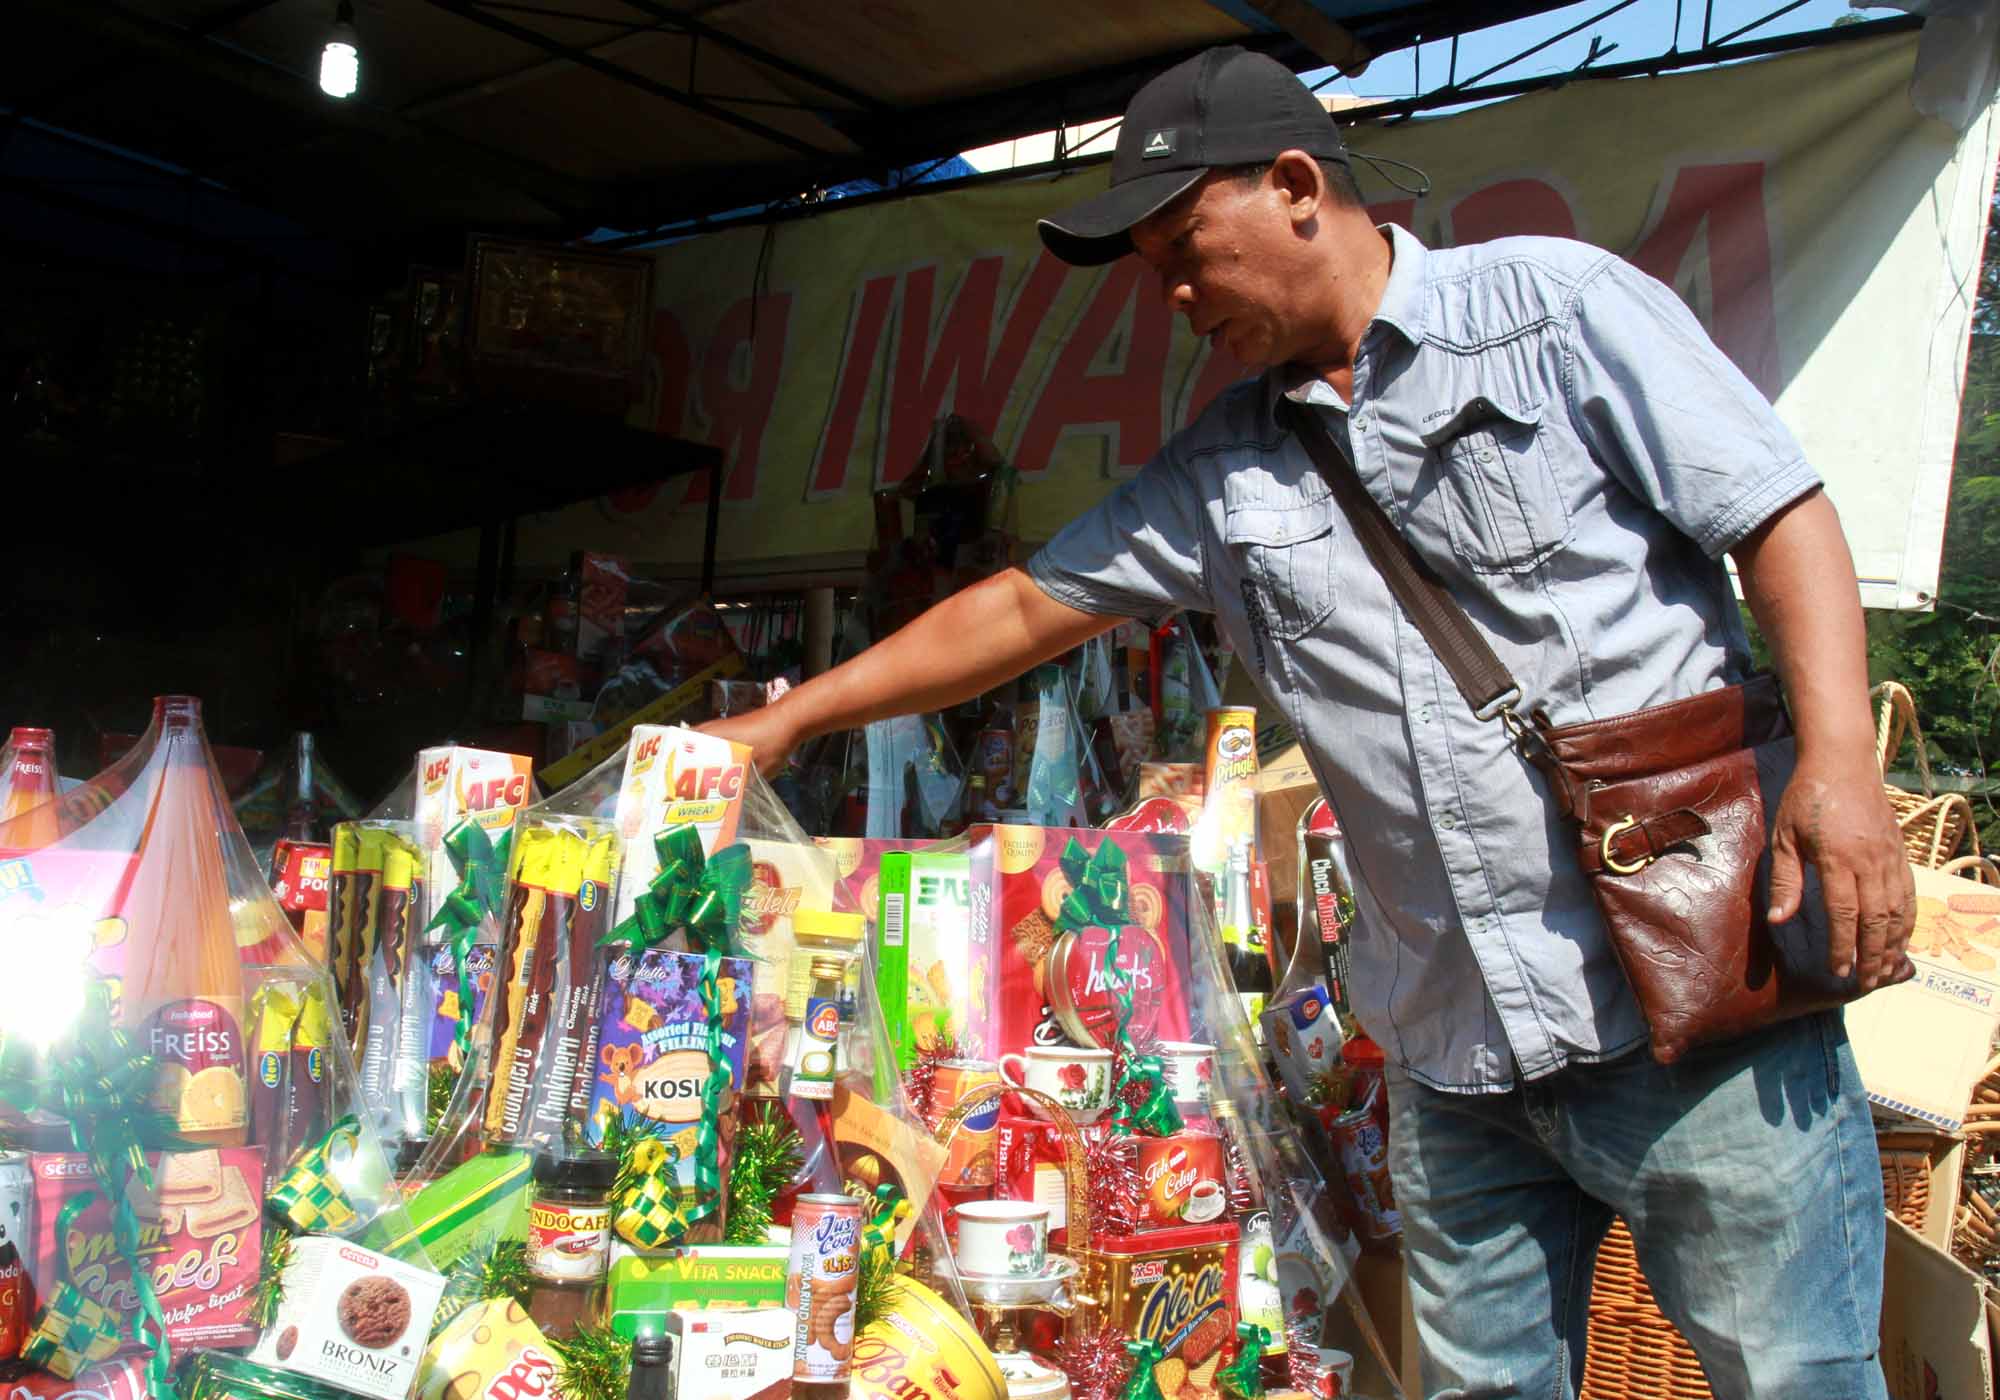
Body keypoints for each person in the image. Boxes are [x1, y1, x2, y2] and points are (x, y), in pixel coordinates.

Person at [705, 44, 1916, 1399]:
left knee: (1798, 1380)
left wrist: (1844, 766)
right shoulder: (1225, 468)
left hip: (1695, 1010)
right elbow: (1021, 611)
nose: (1170, 296)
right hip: (1457, 1059)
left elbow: (1779, 514)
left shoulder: (1557, 310)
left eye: (1184, 249)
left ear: (1293, 186)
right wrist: (789, 722)